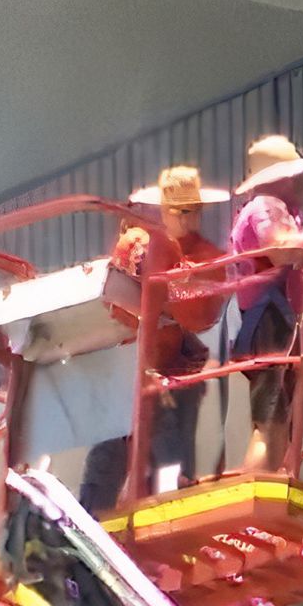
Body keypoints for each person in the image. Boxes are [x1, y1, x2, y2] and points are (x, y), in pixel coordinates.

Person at [78, 164, 228, 514]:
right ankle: (90, 520)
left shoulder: (204, 255)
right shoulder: (141, 243)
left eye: (193, 211)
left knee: (169, 457)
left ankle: (170, 514)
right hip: (130, 363)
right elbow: (113, 303)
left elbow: (200, 315)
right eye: (179, 211)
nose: (188, 219)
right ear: (163, 210)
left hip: (171, 368)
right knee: (111, 449)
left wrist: (164, 295)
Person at [228, 134, 303, 475]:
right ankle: (257, 493)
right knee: (271, 424)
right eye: (296, 174)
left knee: (283, 420)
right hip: (269, 320)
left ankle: (273, 485)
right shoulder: (265, 206)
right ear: (282, 178)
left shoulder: (275, 210)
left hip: (278, 319)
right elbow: (281, 250)